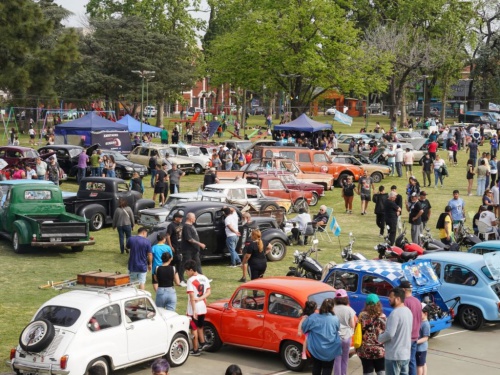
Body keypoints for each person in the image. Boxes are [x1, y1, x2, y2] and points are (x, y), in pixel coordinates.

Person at [301, 298, 342, 375]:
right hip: (330, 349)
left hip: (315, 349)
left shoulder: (313, 317)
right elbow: (337, 329)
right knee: (327, 368)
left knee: (316, 367)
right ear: (332, 308)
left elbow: (304, 328)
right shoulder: (335, 319)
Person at [378, 288, 413, 375]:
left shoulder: (395, 313)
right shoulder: (408, 311)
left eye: (391, 297)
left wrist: (379, 337)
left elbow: (390, 334)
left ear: (397, 299)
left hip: (394, 355)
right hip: (405, 354)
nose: (389, 299)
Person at [356, 294, 387, 375]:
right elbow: (386, 332)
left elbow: (357, 330)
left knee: (368, 372)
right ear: (378, 303)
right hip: (379, 349)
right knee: (381, 371)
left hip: (365, 350)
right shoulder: (382, 317)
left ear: (366, 304)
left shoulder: (362, 316)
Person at [185, 259, 211, 356]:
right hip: (203, 307)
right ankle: (203, 343)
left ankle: (195, 349)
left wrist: (194, 310)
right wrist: (201, 298)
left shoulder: (190, 281)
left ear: (191, 270)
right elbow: (208, 292)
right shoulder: (204, 277)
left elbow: (192, 297)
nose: (186, 273)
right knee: (200, 326)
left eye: (187, 271)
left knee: (193, 329)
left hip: (194, 309)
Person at [400, 280, 422, 375]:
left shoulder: (405, 302)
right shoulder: (417, 301)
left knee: (403, 362)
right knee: (412, 361)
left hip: (406, 336)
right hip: (415, 334)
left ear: (404, 290)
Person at [333, 289, 356, 375]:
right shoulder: (349, 310)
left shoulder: (333, 309)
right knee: (345, 359)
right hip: (347, 337)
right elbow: (352, 325)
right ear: (346, 298)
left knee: (337, 359)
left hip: (336, 338)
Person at [166, 211, 186, 286]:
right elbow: (168, 236)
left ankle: (180, 278)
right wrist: (170, 246)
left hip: (181, 246)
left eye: (182, 217)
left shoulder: (181, 224)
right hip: (175, 246)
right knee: (174, 262)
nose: (181, 219)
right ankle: (174, 278)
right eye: (180, 217)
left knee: (180, 263)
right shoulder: (171, 226)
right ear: (175, 218)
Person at [416, 304, 431, 375]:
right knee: (423, 362)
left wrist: (416, 342)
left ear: (425, 313)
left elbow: (426, 338)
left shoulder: (425, 324)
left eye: (420, 313)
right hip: (420, 348)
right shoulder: (421, 322)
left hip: (420, 349)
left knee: (419, 365)